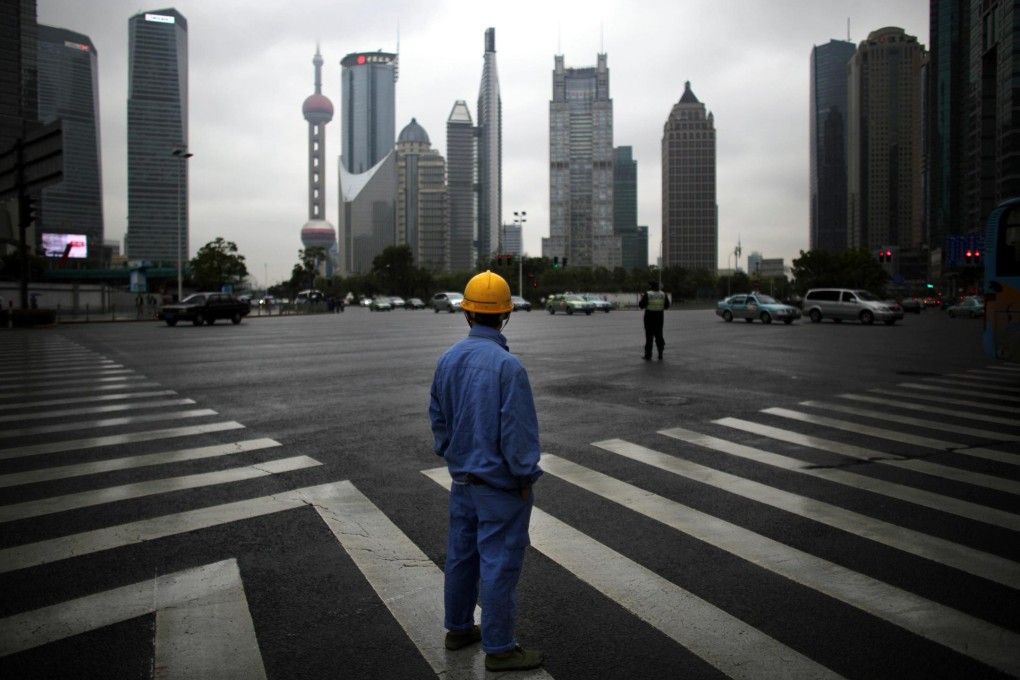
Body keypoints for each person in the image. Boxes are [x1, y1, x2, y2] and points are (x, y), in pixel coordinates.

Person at [429, 270, 544, 673]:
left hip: (462, 481)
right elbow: (518, 434)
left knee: (462, 556)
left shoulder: (447, 360)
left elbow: (438, 418)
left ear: (467, 315)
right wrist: (525, 477)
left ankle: (458, 628)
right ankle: (499, 648)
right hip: (499, 485)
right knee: (499, 562)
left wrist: (451, 453)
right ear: (505, 316)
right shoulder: (507, 366)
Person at [639, 280, 670, 360]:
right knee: (659, 336)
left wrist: (642, 298)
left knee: (649, 337)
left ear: (651, 287)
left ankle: (648, 355)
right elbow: (667, 305)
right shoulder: (663, 294)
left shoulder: (648, 294)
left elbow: (641, 305)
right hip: (659, 318)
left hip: (649, 317)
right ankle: (660, 353)